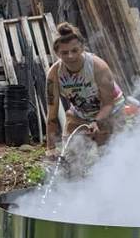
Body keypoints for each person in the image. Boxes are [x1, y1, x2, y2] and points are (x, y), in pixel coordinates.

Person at [45, 22, 125, 158]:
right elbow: (52, 113)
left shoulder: (98, 66)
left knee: (110, 155)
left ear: (82, 48)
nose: (70, 56)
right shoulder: (54, 74)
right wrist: (50, 147)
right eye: (64, 53)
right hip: (80, 112)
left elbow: (108, 104)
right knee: (70, 155)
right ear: (57, 53)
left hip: (110, 111)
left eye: (74, 50)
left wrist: (96, 122)